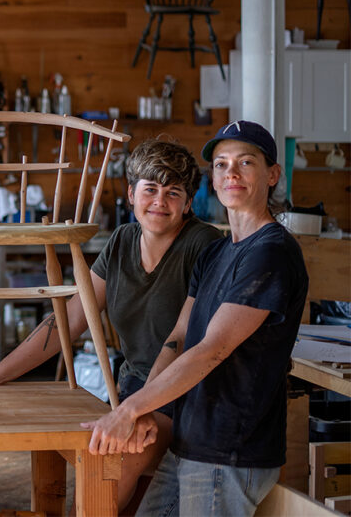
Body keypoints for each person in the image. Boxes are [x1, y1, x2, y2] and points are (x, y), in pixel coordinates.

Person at [0, 138, 221, 509]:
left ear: (189, 202)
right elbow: (68, 320)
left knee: (110, 459)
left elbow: (179, 341)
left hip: (186, 395)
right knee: (68, 439)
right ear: (131, 194)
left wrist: (139, 410)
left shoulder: (204, 244)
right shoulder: (121, 241)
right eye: (150, 189)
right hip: (131, 388)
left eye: (173, 192)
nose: (160, 202)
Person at [84, 121, 308, 517]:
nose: (231, 173)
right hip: (191, 443)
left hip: (230, 451)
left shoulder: (271, 252)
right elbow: (181, 335)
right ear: (213, 179)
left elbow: (210, 350)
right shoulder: (218, 253)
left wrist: (129, 410)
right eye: (221, 165)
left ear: (272, 174)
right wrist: (146, 409)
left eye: (246, 162)